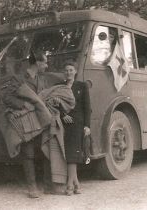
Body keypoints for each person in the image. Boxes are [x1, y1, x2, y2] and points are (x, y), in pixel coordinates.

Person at [0, 51, 51, 198]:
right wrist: (23, 104)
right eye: (45, 63)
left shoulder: (42, 80)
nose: (46, 66)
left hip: (40, 120)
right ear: (37, 63)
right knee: (28, 153)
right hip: (26, 122)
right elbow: (6, 97)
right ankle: (32, 187)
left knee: (45, 149)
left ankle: (48, 186)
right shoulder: (19, 79)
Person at [61, 60, 91, 196]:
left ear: (75, 72)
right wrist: (63, 115)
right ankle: (76, 183)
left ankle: (69, 184)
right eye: (66, 70)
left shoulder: (82, 86)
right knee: (69, 152)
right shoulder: (59, 87)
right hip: (63, 124)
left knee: (73, 152)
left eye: (71, 70)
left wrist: (87, 126)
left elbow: (87, 107)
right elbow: (54, 105)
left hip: (77, 123)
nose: (68, 72)